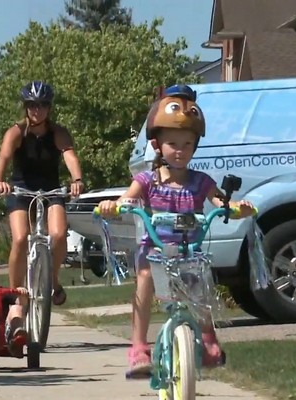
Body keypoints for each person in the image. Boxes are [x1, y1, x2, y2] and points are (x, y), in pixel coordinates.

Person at [97, 84, 255, 377]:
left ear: (195, 145)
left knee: (201, 286)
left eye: (187, 144)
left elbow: (220, 201)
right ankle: (138, 347)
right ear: (158, 145)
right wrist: (116, 205)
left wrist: (236, 208)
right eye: (173, 144)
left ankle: (208, 339)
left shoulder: (201, 181)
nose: (180, 151)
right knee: (144, 279)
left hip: (189, 250)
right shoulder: (148, 181)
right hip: (155, 249)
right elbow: (127, 199)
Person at [0, 81, 85, 306]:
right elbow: (4, 157)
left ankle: (52, 280)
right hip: (20, 189)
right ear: (25, 107)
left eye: (42, 105)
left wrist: (77, 179)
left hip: (51, 189)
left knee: (59, 234)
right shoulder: (16, 132)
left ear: (49, 107)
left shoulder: (58, 133)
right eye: (32, 105)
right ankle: (15, 291)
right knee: (21, 237)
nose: (37, 110)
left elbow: (69, 156)